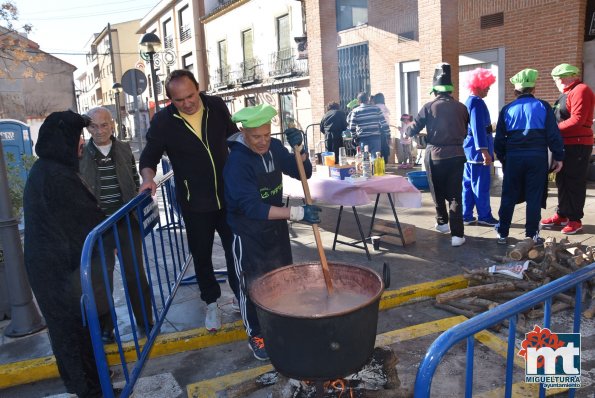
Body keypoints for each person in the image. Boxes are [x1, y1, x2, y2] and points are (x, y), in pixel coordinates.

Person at [23, 111, 118, 397]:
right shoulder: (55, 175)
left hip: (59, 270)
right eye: (77, 137)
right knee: (72, 337)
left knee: (79, 332)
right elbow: (87, 221)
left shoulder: (51, 170)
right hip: (56, 273)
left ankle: (96, 387)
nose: (81, 143)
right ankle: (91, 392)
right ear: (63, 141)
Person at [139, 69, 239, 332]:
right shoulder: (163, 121)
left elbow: (234, 139)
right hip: (195, 202)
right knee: (202, 255)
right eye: (179, 100)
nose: (187, 103)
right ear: (171, 100)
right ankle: (211, 304)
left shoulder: (216, 106)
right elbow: (148, 158)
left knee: (236, 251)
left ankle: (241, 296)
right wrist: (148, 179)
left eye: (191, 95)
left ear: (199, 88)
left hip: (228, 195)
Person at [223, 104, 321, 361]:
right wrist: (297, 214)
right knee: (251, 286)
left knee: (282, 280)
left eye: (267, 135)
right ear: (244, 132)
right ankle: (256, 333)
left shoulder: (274, 148)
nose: (263, 141)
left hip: (274, 229)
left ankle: (281, 326)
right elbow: (252, 207)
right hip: (247, 233)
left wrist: (300, 150)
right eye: (256, 136)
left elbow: (304, 173)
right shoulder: (237, 162)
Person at [80, 106, 153, 342]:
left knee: (136, 275)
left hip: (126, 221)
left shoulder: (123, 149)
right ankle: (106, 328)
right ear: (88, 128)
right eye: (93, 125)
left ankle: (145, 321)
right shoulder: (81, 155)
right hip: (98, 227)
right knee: (101, 280)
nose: (99, 130)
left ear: (112, 125)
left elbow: (133, 177)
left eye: (104, 125)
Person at [494, 69, 564, 245]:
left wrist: (504, 159)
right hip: (537, 157)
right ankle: (531, 234)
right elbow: (553, 135)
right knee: (534, 195)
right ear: (533, 88)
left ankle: (502, 232)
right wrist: (558, 156)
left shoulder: (507, 109)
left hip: (514, 157)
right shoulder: (543, 106)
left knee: (508, 194)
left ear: (515, 91)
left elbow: (499, 140)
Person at [406, 63, 469, 247]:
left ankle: (442, 223)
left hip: (435, 155)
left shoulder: (429, 106)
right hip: (457, 154)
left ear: (435, 90)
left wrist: (406, 133)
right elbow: (465, 130)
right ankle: (457, 235)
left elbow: (414, 128)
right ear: (451, 90)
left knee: (436, 189)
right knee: (456, 195)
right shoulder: (462, 107)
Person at [540, 63, 595, 235]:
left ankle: (575, 220)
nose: (555, 82)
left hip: (577, 145)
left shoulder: (581, 90)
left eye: (556, 79)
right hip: (565, 144)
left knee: (575, 181)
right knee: (562, 180)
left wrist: (552, 130)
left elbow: (577, 119)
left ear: (564, 78)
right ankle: (562, 214)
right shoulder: (567, 93)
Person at [462, 68, 499, 227]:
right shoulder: (477, 103)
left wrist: (490, 128)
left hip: (469, 151)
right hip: (478, 153)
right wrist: (484, 151)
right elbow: (477, 128)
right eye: (487, 87)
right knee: (481, 185)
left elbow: (477, 128)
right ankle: (484, 215)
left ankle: (466, 215)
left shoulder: (469, 102)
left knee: (468, 185)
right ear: (479, 85)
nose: (488, 90)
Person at [347, 92, 390, 158]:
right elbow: (384, 124)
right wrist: (388, 135)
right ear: (368, 99)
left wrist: (354, 137)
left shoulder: (355, 111)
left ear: (358, 101)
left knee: (365, 159)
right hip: (375, 137)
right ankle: (375, 168)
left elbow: (352, 127)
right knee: (375, 158)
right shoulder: (376, 109)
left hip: (363, 138)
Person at [371, 93, 391, 163]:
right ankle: (384, 162)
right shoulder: (385, 107)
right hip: (386, 129)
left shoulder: (374, 108)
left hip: (377, 129)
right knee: (384, 146)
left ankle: (378, 163)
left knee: (377, 147)